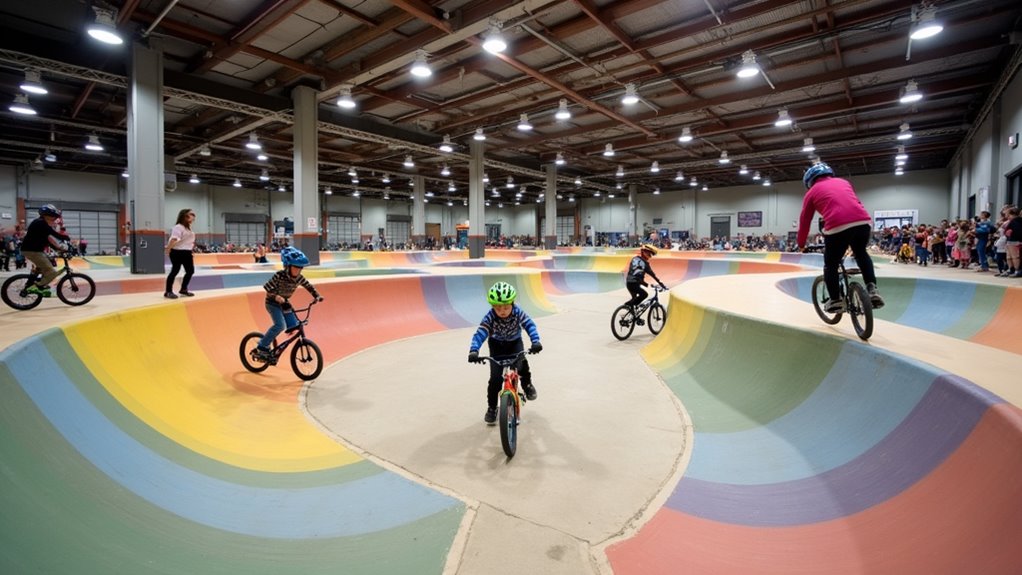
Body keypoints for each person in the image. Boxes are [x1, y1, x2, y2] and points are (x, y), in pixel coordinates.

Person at [796, 162, 884, 312]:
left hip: (837, 225)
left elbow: (805, 220)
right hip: (863, 221)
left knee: (831, 264)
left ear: (809, 181)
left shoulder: (811, 193)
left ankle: (836, 299)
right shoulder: (844, 182)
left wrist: (801, 244)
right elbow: (856, 203)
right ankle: (872, 289)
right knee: (861, 253)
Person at [467, 281, 542, 425]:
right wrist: (474, 350)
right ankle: (492, 408)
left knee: (522, 365)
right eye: (498, 308)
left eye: (506, 307)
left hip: (514, 343)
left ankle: (527, 386)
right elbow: (480, 333)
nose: (502, 311)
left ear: (512, 303)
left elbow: (529, 324)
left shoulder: (517, 312)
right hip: (497, 347)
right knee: (495, 380)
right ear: (492, 307)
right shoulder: (490, 317)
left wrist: (535, 341)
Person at [253, 247, 323, 360]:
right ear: (287, 266)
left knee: (295, 325)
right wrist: (276, 296)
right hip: (272, 303)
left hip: (285, 303)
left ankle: (278, 349)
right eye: (296, 268)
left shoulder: (299, 278)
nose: (298, 271)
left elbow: (308, 286)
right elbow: (267, 287)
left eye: (300, 268)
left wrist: (317, 296)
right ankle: (262, 346)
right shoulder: (279, 275)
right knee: (280, 325)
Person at [19, 204, 72, 297]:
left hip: (33, 250)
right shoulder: (40, 223)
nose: (54, 219)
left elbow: (48, 241)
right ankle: (37, 286)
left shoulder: (40, 223)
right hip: (33, 251)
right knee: (51, 273)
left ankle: (32, 282)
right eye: (53, 216)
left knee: (45, 266)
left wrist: (59, 249)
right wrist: (66, 237)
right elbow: (53, 233)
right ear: (47, 215)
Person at [624, 243, 667, 324]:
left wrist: (645, 284)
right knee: (644, 295)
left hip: (628, 283)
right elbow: (653, 275)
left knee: (635, 300)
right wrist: (661, 284)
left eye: (651, 254)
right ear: (643, 252)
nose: (650, 256)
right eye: (649, 253)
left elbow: (633, 273)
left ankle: (635, 316)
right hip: (635, 284)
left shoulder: (634, 259)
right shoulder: (645, 264)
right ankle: (628, 305)